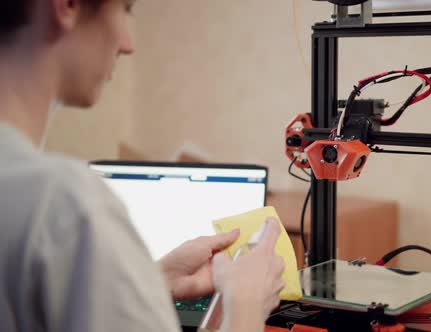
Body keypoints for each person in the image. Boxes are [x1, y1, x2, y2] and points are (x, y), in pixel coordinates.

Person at [0, 1, 285, 331]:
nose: (128, 44)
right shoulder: (66, 203)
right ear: (67, 6)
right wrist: (246, 305)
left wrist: (152, 283)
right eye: (124, 9)